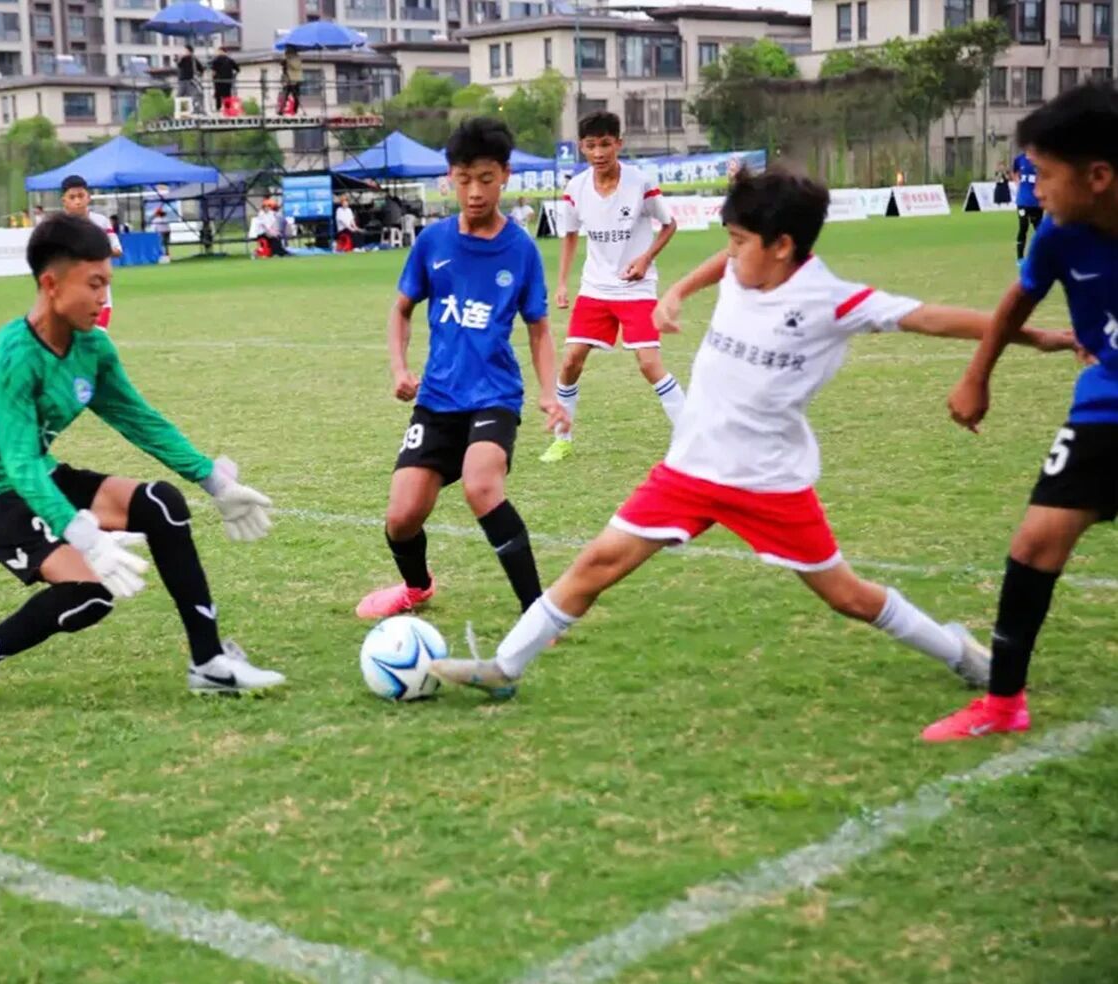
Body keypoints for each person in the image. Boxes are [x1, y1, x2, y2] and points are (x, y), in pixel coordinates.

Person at [430, 167, 1072, 699]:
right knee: (596, 564)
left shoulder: (831, 299)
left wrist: (1037, 336)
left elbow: (932, 317)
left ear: (783, 245)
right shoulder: (744, 266)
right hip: (688, 470)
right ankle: (504, 667)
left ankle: (959, 652)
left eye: (740, 241)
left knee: (847, 596)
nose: (731, 253)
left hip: (767, 481)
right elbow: (721, 262)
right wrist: (677, 291)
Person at [0, 214, 285, 716]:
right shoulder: (10, 355)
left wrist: (214, 481)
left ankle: (209, 663)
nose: (104, 298)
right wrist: (83, 535)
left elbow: (139, 419)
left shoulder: (92, 347)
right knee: (90, 593)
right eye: (94, 284)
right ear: (51, 284)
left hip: (39, 475)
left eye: (108, 284)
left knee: (161, 504)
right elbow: (18, 464)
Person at [926, 83, 1118, 741]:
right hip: (1104, 404)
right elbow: (1017, 301)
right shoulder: (1059, 237)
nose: (1032, 190)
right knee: (1035, 542)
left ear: (1098, 177)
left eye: (1043, 176)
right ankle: (1003, 703)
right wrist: (975, 377)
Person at [355, 117, 567, 620]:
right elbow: (401, 310)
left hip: (494, 395)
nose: (475, 192)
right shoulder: (433, 242)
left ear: (505, 176)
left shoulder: (521, 250)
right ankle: (417, 587)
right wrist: (399, 369)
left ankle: (537, 613)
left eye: (486, 179)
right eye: (465, 179)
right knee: (401, 518)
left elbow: (539, 329)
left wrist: (549, 392)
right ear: (450, 177)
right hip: (437, 399)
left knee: (481, 485)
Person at [541, 112, 683, 464]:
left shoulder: (639, 183)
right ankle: (562, 439)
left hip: (636, 288)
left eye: (605, 144)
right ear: (581, 147)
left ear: (619, 144)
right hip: (595, 289)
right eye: (591, 145)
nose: (599, 152)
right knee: (571, 361)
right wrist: (562, 283)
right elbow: (570, 236)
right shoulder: (575, 189)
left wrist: (645, 258)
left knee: (649, 364)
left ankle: (690, 434)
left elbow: (669, 225)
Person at [59, 174, 123, 328]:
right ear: (64, 201)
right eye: (72, 197)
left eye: (81, 196)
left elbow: (117, 250)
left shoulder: (101, 222)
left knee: (97, 336)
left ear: (88, 197)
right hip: (71, 294)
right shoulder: (58, 226)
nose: (77, 201)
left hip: (99, 293)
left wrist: (95, 249)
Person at [1014, 146, 1043, 261]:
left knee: (1039, 229)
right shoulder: (1019, 159)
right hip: (1022, 201)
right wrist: (1018, 184)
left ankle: (1041, 256)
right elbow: (1015, 172)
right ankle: (1020, 257)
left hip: (1036, 202)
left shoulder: (1040, 160)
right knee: (1023, 226)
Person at [176, 44, 204, 113]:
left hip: (190, 81)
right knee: (181, 96)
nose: (184, 52)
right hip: (183, 80)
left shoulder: (193, 59)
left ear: (189, 51)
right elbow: (178, 64)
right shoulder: (183, 58)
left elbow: (201, 68)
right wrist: (180, 58)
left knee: (194, 95)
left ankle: (196, 110)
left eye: (185, 50)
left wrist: (199, 76)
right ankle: (183, 111)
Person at [210, 45, 239, 112]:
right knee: (227, 94)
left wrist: (213, 79)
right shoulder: (230, 60)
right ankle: (227, 108)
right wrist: (233, 75)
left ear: (221, 51)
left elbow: (213, 72)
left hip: (218, 80)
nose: (217, 53)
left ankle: (218, 108)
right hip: (228, 80)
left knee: (218, 95)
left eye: (218, 51)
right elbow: (237, 69)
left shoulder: (216, 60)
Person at [278, 47, 302, 116]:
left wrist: (289, 62)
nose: (287, 54)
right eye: (286, 53)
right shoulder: (286, 60)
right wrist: (284, 61)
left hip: (295, 80)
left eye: (288, 52)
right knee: (285, 95)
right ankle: (281, 110)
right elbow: (282, 65)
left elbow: (296, 66)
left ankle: (295, 111)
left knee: (296, 96)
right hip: (287, 81)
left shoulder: (296, 59)